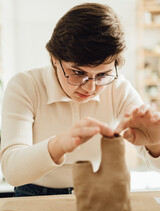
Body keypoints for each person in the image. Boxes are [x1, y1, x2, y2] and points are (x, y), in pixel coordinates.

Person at [1, 3, 160, 197]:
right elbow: (12, 171)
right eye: (77, 73)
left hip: (98, 190)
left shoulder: (118, 86)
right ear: (53, 58)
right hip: (34, 192)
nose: (91, 88)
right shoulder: (25, 86)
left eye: (102, 75)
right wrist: (58, 145)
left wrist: (155, 145)